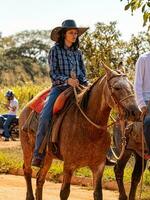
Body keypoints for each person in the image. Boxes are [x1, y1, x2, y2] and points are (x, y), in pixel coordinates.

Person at [31, 19, 89, 167]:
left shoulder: (78, 53)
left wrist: (85, 82)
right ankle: (38, 153)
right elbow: (53, 74)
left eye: (76, 33)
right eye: (71, 33)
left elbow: (82, 72)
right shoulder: (55, 51)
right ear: (64, 34)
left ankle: (100, 151)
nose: (74, 35)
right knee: (45, 115)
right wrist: (67, 80)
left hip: (78, 87)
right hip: (60, 88)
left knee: (97, 107)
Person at [134, 51, 150, 160]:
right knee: (149, 122)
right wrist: (142, 104)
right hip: (147, 100)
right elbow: (137, 85)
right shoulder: (143, 59)